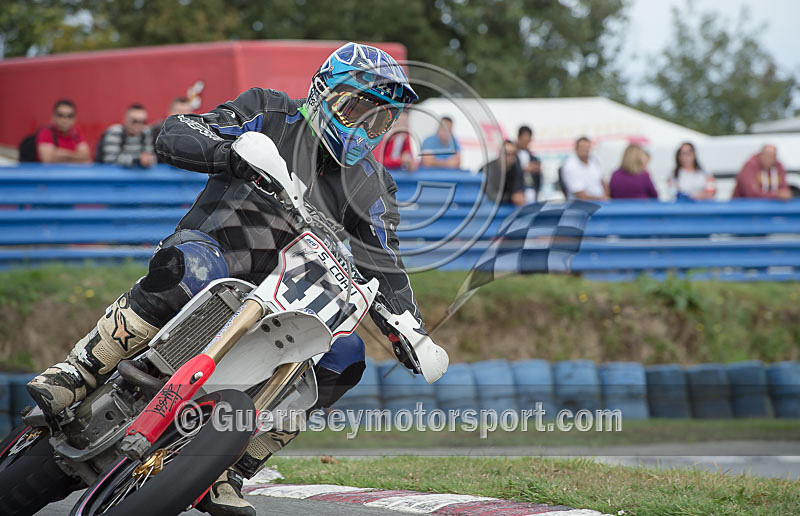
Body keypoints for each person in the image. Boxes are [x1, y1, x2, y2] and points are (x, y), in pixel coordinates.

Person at [27, 42, 429, 516]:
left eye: (378, 120)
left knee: (344, 354)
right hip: (213, 254)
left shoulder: (374, 183)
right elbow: (177, 132)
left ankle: (232, 468)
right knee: (194, 270)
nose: (364, 128)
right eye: (356, 109)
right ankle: (79, 371)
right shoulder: (268, 111)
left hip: (288, 301)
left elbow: (384, 258)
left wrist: (412, 329)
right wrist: (230, 153)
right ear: (323, 92)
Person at [95, 103, 156, 168]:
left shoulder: (146, 132)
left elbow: (151, 158)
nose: (139, 125)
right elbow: (110, 161)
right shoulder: (115, 132)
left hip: (137, 176)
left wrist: (149, 160)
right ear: (126, 120)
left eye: (143, 122)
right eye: (135, 121)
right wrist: (138, 160)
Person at [35, 99, 92, 163]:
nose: (65, 120)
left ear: (75, 118)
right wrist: (76, 155)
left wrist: (59, 153)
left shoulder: (76, 132)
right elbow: (47, 159)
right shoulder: (46, 132)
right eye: (60, 115)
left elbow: (87, 158)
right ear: (53, 117)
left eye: (70, 116)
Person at [484, 140, 526, 206]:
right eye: (507, 154)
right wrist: (511, 198)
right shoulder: (487, 169)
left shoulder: (516, 169)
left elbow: (519, 190)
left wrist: (518, 196)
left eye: (513, 154)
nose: (510, 157)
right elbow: (490, 195)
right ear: (500, 153)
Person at [516, 125, 541, 203]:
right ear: (519, 138)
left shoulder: (533, 158)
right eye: (524, 139)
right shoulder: (512, 155)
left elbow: (538, 180)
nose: (526, 142)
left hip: (532, 191)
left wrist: (538, 171)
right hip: (518, 192)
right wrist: (524, 169)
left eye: (528, 140)